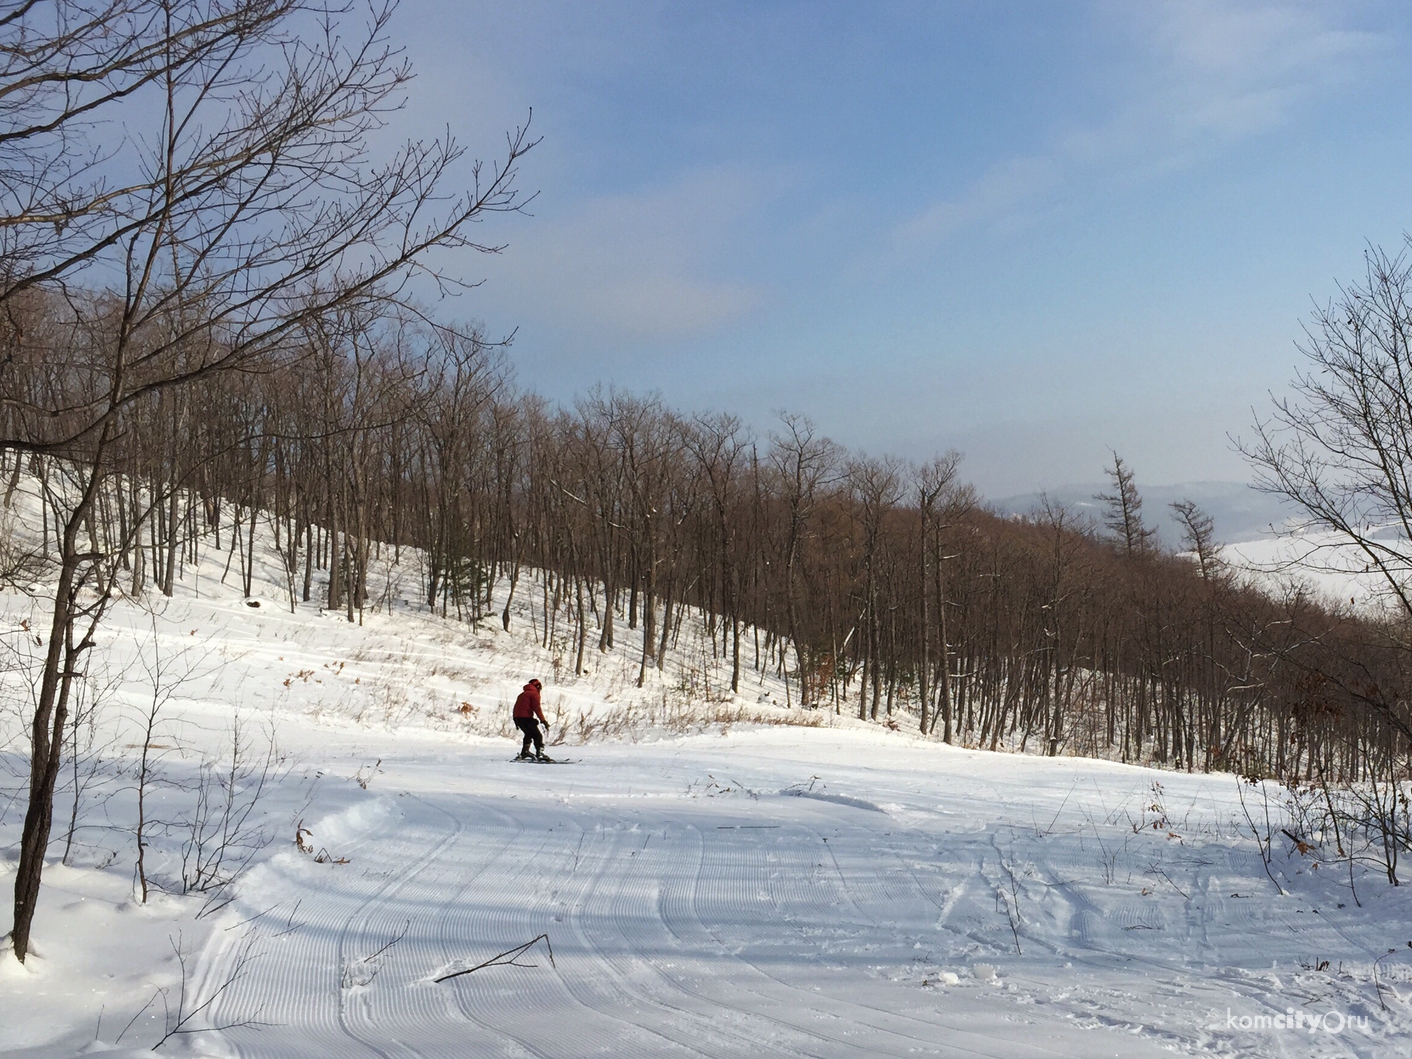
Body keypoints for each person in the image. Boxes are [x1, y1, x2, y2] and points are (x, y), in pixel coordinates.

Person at [512, 679, 549, 760]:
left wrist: (515, 719)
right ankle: (540, 753)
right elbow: (537, 708)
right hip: (526, 718)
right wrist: (543, 720)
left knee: (528, 734)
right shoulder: (534, 694)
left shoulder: (522, 694)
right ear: (538, 686)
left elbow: (516, 707)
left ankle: (525, 752)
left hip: (518, 718)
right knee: (537, 736)